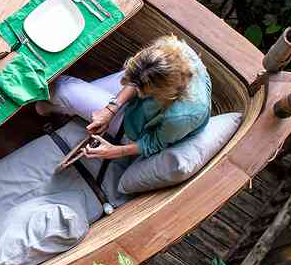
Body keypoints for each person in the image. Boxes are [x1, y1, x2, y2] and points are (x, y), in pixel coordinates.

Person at [38, 34, 212, 184]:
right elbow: (136, 80)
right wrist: (111, 109)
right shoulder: (169, 52)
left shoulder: (181, 116)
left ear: (161, 92)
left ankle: (50, 109)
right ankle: (53, 109)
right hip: (144, 91)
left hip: (139, 127)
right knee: (64, 95)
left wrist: (115, 151)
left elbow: (154, 143)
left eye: (146, 92)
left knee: (62, 88)